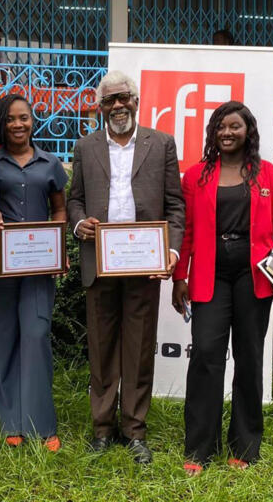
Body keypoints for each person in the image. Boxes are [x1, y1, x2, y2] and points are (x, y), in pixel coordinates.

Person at [170, 100, 273, 477]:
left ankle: (245, 446)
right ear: (212, 133)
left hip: (254, 276)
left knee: (249, 357)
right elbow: (186, 234)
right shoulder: (196, 176)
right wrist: (179, 277)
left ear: (248, 131)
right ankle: (200, 448)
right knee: (205, 355)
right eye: (221, 126)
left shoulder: (267, 174)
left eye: (235, 126)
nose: (228, 132)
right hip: (209, 274)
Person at [66, 70, 185, 464]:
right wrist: (80, 222)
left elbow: (175, 205)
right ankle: (102, 429)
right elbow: (74, 201)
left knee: (137, 349)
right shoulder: (85, 147)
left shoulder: (161, 143)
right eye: (109, 100)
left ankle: (135, 430)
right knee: (101, 348)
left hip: (144, 264)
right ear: (100, 107)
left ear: (136, 100)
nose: (117, 105)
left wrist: (171, 251)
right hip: (99, 262)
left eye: (123, 98)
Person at [0, 93, 69, 452]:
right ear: (2, 123)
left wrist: (58, 246)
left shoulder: (50, 164)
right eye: (11, 119)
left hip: (38, 263)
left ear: (34, 122)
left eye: (25, 118)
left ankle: (41, 422)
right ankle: (11, 421)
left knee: (35, 332)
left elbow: (60, 210)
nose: (18, 124)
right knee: (3, 337)